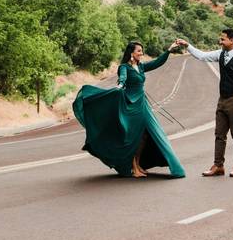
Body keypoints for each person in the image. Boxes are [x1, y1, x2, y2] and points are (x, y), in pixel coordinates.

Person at [73, 40, 186, 178]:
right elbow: (122, 78)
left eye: (142, 51)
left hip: (142, 104)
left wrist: (168, 50)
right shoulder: (124, 67)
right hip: (131, 106)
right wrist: (120, 86)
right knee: (134, 137)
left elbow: (157, 63)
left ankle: (138, 164)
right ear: (131, 53)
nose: (142, 53)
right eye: (139, 51)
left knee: (147, 135)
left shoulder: (141, 66)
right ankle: (133, 167)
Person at [176, 28, 233, 177]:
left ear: (232, 41)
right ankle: (218, 166)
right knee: (219, 134)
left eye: (223, 39)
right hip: (222, 100)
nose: (220, 41)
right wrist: (187, 45)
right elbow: (202, 56)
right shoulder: (221, 54)